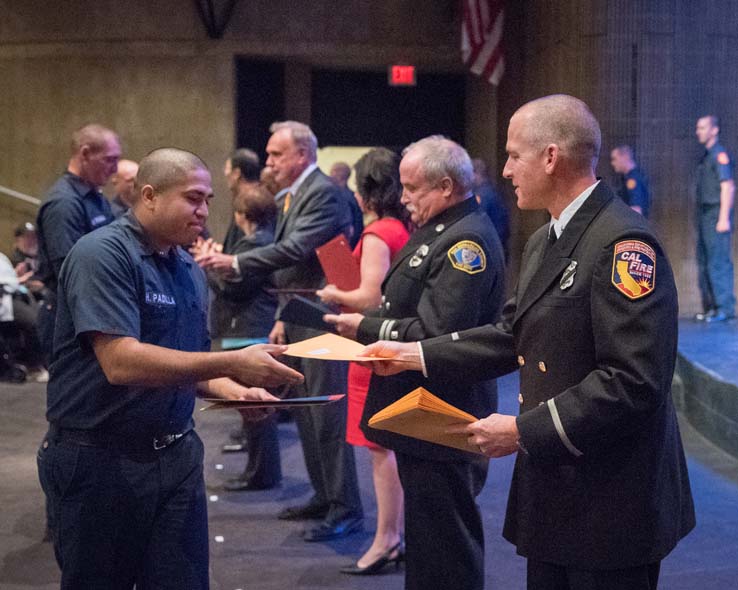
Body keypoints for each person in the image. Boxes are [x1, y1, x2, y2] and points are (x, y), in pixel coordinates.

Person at [363, 95, 696, 590]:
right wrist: (413, 354)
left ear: (551, 156)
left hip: (611, 497)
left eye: (515, 154)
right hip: (557, 487)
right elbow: (512, 335)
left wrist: (523, 432)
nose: (505, 169)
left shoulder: (624, 244)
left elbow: (633, 381)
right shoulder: (546, 239)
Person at [36, 147, 303, 590]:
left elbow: (185, 364)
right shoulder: (102, 255)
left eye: (208, 200)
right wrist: (234, 362)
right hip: (100, 460)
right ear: (149, 196)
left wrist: (234, 391)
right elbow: (121, 361)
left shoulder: (186, 268)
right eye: (193, 198)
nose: (203, 212)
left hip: (175, 457)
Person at [326, 136, 505, 590]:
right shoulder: (439, 229)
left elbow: (436, 333)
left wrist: (366, 328)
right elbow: (402, 303)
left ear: (445, 186)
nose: (402, 198)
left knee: (448, 545)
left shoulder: (468, 243)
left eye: (412, 188)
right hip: (419, 412)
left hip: (443, 413)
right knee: (428, 544)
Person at [197, 121, 363, 542]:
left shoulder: (323, 192)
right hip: (299, 315)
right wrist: (280, 318)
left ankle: (345, 508)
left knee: (327, 416)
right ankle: (324, 496)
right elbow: (295, 264)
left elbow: (296, 249)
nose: (268, 161)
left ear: (302, 155)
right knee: (308, 413)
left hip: (324, 318)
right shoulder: (295, 195)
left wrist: (235, 263)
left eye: (276, 154)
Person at [317, 148, 410, 575]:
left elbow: (369, 298)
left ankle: (387, 539)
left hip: (371, 348)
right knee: (388, 447)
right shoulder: (404, 228)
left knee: (380, 450)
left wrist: (332, 295)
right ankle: (394, 536)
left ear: (364, 192)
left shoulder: (378, 234)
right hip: (390, 346)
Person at [199, 183, 282, 490]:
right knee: (254, 405)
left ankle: (260, 475)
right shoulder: (262, 241)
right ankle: (258, 471)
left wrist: (206, 267)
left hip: (249, 329)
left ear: (242, 215)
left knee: (255, 407)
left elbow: (233, 292)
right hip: (252, 327)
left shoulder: (252, 247)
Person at [35, 124, 120, 361]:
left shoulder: (96, 198)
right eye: (109, 160)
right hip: (68, 316)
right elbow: (68, 270)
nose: (114, 170)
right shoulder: (64, 203)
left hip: (90, 310)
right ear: (84, 154)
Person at [694, 115, 736, 322]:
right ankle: (711, 307)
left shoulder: (719, 155)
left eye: (702, 128)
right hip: (704, 215)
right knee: (705, 261)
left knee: (718, 261)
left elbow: (727, 186)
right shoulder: (707, 156)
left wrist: (723, 218)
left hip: (715, 214)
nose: (698, 132)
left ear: (714, 130)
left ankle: (725, 308)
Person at [472, 157, 510, 258]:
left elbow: (476, 223)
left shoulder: (482, 195)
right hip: (498, 246)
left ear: (475, 174)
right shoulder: (493, 192)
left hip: (489, 249)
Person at [330, 160, 364, 247]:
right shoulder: (354, 196)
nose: (330, 174)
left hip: (340, 246)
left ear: (339, 174)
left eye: (333, 171)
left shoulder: (336, 197)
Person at [610, 145, 651, 217]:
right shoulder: (631, 177)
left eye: (614, 159)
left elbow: (636, 209)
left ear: (624, 158)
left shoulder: (633, 180)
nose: (612, 163)